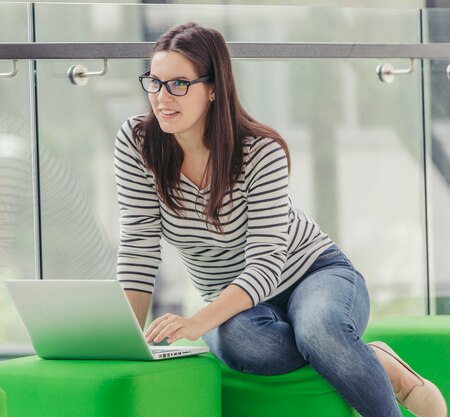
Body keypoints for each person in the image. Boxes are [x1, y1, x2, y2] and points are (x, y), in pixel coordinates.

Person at [114, 22, 447, 417]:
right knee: (246, 345)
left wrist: (197, 322)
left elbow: (267, 263)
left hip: (312, 272)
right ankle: (368, 358)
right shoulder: (137, 143)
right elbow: (138, 247)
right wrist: (125, 344)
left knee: (320, 329)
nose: (162, 97)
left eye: (179, 84)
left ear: (214, 87)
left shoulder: (260, 150)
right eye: (154, 82)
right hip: (233, 302)